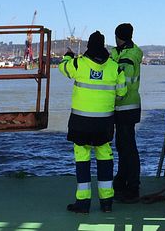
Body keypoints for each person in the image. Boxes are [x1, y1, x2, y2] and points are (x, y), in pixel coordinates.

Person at [60, 31, 126, 214]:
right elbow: (121, 92)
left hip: (80, 123)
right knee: (105, 157)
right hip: (104, 123)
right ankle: (106, 203)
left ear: (89, 45)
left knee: (82, 159)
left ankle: (83, 203)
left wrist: (67, 56)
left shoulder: (78, 63)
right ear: (104, 45)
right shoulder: (115, 67)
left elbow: (63, 68)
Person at [110, 23, 143, 203]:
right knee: (123, 145)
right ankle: (122, 180)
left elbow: (122, 83)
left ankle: (132, 185)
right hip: (125, 107)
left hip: (126, 106)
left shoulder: (127, 57)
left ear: (117, 36)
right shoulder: (122, 53)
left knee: (128, 147)